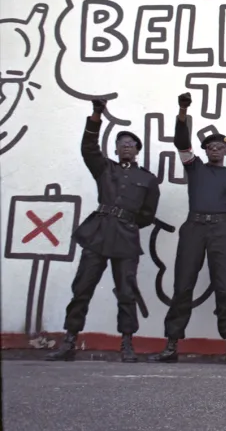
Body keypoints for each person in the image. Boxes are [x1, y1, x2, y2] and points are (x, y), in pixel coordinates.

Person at [46, 99, 160, 363]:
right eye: (121, 144)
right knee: (82, 288)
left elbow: (147, 214)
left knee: (126, 292)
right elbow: (88, 147)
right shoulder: (104, 168)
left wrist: (127, 222)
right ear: (117, 150)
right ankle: (70, 343)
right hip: (98, 235)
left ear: (137, 150)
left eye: (130, 144)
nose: (126, 147)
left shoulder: (148, 179)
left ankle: (127, 345)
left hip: (126, 238)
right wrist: (97, 114)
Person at [148, 92, 226, 365]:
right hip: (193, 227)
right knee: (183, 285)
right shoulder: (194, 168)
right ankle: (172, 344)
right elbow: (181, 142)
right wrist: (183, 110)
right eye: (210, 147)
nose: (215, 149)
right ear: (205, 151)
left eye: (220, 146)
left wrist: (223, 217)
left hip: (220, 229)